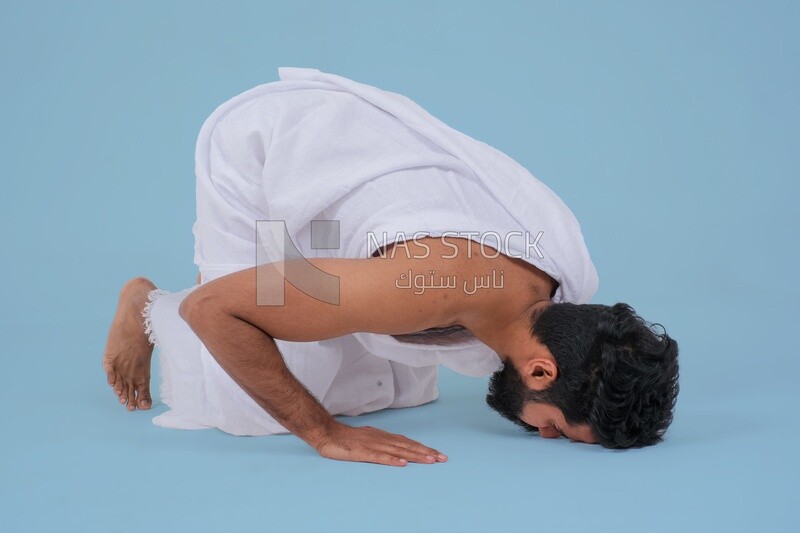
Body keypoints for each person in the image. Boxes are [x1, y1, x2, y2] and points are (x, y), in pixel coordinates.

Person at [101, 67, 679, 467]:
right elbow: (216, 310)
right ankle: (148, 305)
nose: (545, 434)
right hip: (271, 155)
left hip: (354, 172)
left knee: (395, 390)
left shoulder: (557, 294)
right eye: (560, 427)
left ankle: (315, 287)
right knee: (251, 407)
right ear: (541, 372)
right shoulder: (426, 287)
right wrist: (323, 435)